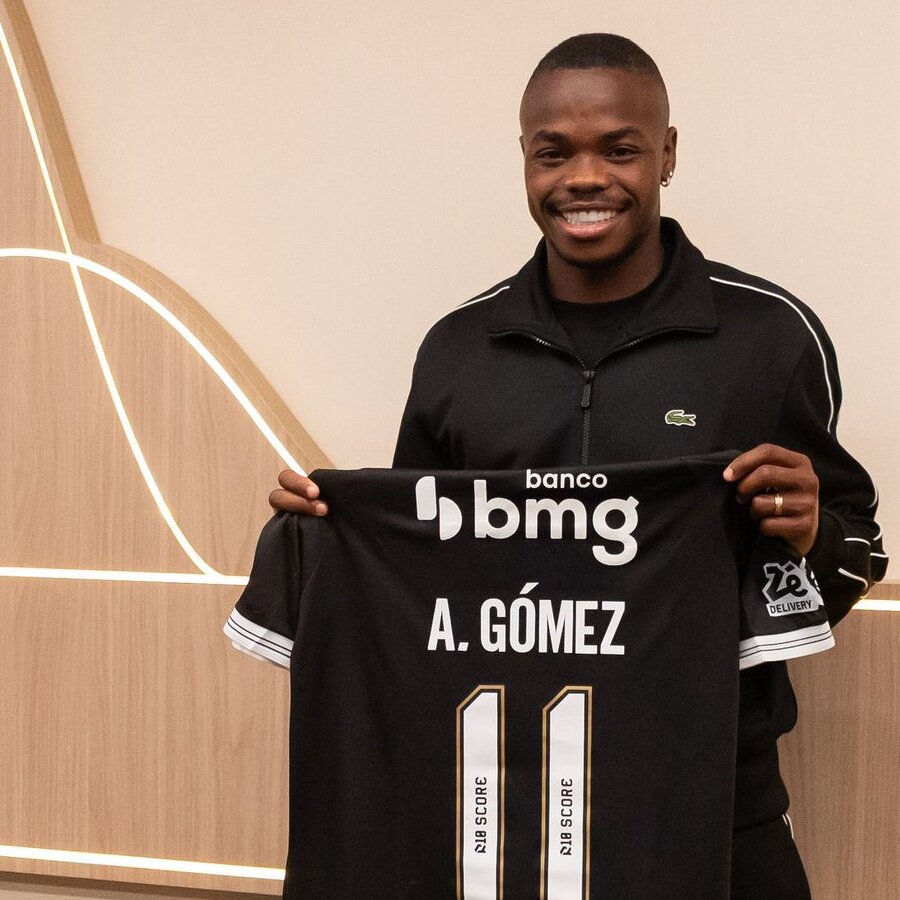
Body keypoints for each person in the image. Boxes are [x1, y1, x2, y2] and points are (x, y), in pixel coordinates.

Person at [268, 34, 887, 900]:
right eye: (552, 152)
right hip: (504, 813)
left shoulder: (768, 339)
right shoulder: (457, 351)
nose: (585, 177)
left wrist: (814, 532)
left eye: (620, 148)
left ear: (668, 154)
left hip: (717, 804)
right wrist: (330, 532)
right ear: (524, 160)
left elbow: (860, 559)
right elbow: (423, 579)